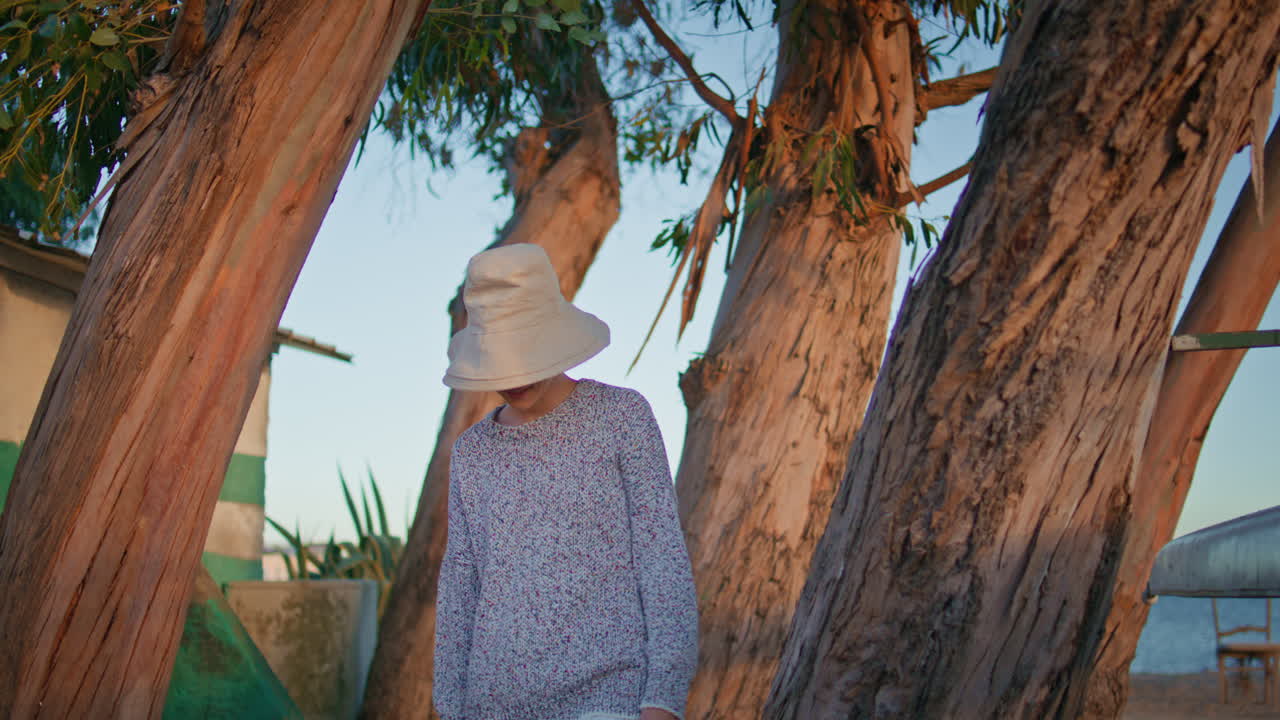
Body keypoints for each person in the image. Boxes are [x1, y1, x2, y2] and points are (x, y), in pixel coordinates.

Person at [432, 244, 700, 720]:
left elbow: (662, 559)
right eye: (499, 360)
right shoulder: (472, 452)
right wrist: (450, 708)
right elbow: (460, 584)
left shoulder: (622, 417)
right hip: (491, 706)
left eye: (523, 354)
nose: (512, 377)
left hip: (609, 699)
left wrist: (664, 697)